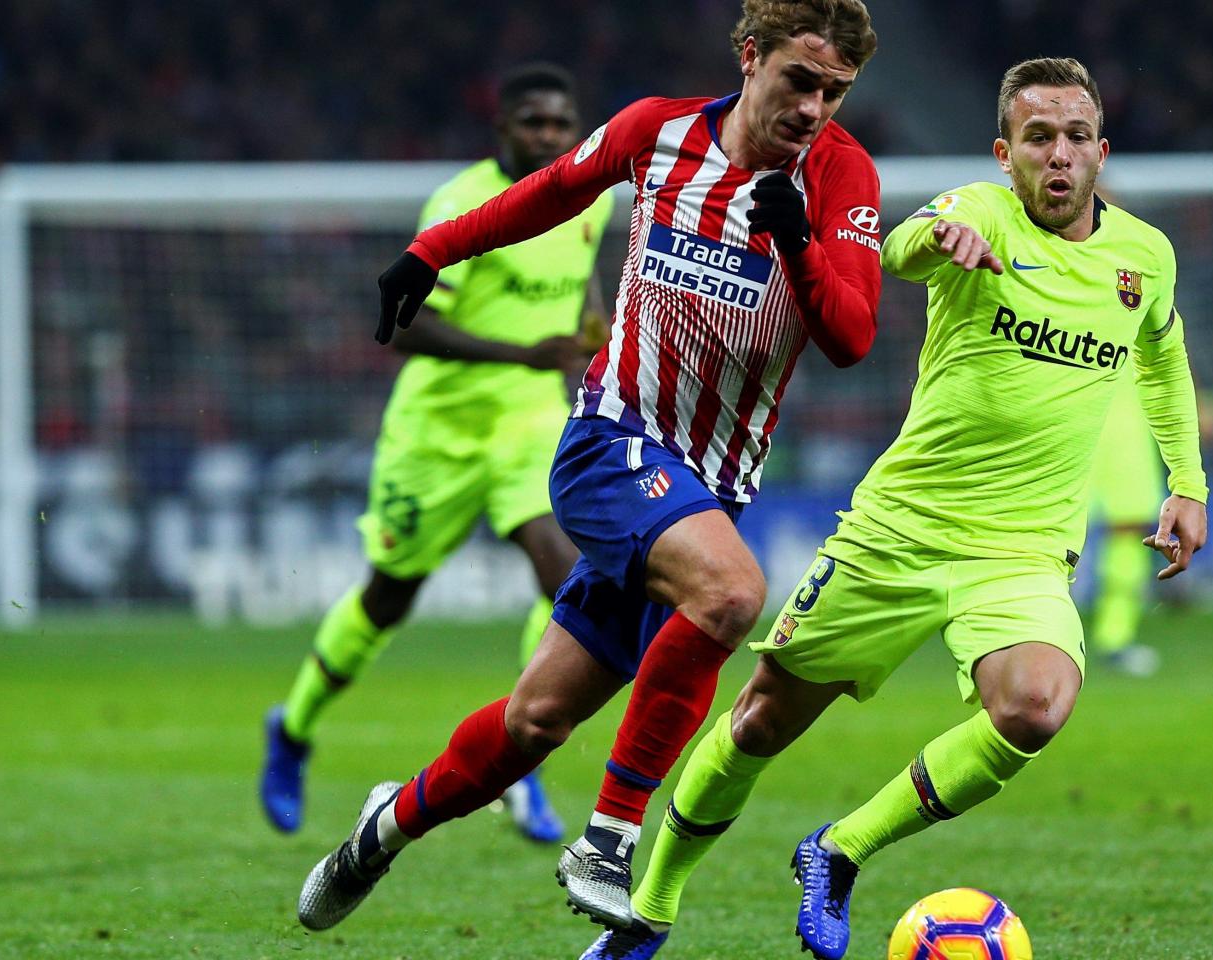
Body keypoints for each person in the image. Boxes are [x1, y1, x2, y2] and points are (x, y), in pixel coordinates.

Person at [583, 57, 1209, 960]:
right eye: (1038, 138)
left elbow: (1162, 355)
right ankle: (649, 910)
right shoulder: (977, 212)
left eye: (1076, 137)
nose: (1059, 156)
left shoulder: (1145, 256)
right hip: (899, 531)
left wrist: (1186, 481)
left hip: (1023, 550)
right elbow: (898, 244)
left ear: (1102, 151)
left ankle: (838, 851)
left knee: (1035, 706)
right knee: (761, 718)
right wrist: (937, 245)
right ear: (1006, 153)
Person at [294, 0, 882, 934]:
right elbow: (552, 191)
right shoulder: (659, 132)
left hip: (707, 486)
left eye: (834, 91)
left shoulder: (841, 174)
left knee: (534, 722)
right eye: (798, 81)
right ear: (749, 57)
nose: (814, 108)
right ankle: (608, 840)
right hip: (612, 441)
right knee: (731, 594)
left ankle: (382, 828)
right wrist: (431, 250)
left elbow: (852, 336)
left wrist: (800, 240)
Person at [259, 62, 611, 843]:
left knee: (565, 576)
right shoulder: (461, 205)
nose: (551, 136)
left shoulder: (590, 198)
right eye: (535, 124)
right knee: (390, 596)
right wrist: (521, 354)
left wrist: (591, 329)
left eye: (562, 123)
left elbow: (578, 280)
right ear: (503, 130)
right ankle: (293, 727)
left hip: (526, 425)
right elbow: (405, 327)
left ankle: (521, 760)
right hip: (437, 434)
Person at [1085, 367, 1167, 676]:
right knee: (1045, 534)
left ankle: (1114, 638)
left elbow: (1166, 347)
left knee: (1129, 533)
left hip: (1119, 425)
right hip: (1073, 419)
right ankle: (1030, 637)